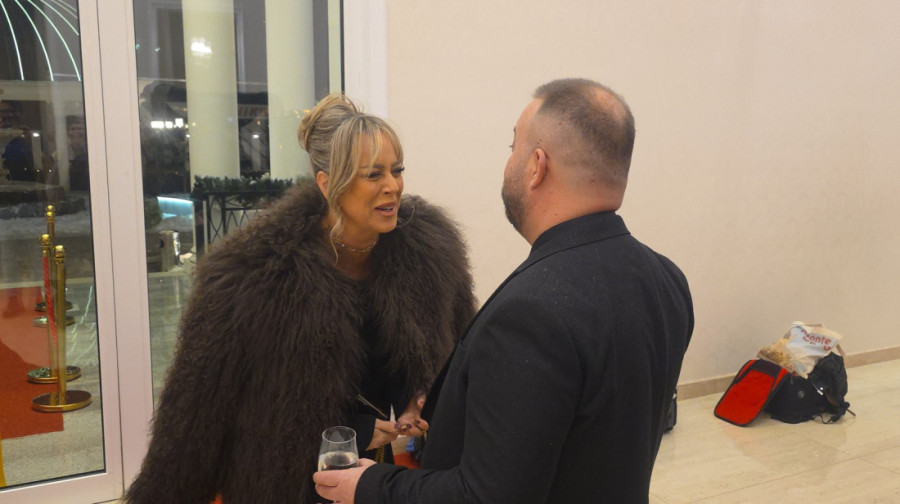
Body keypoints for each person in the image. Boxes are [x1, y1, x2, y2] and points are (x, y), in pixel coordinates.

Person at [314, 78, 694, 503]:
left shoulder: (531, 316)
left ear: (536, 166)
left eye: (513, 147)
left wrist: (370, 486)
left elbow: (484, 496)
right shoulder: (668, 281)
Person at [123, 93, 476, 504]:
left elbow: (450, 357)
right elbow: (197, 416)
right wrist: (355, 431)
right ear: (327, 183)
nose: (393, 186)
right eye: (373, 174)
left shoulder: (428, 256)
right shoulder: (254, 275)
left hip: (372, 480)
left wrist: (418, 396)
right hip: (284, 486)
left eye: (397, 170)